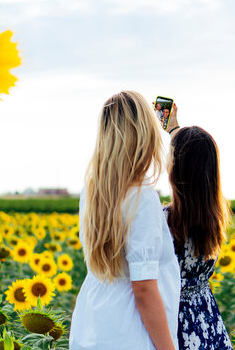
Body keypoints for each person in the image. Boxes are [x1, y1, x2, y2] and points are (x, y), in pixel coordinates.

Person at [69, 90, 181, 350]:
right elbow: (144, 289)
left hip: (94, 325)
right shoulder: (142, 197)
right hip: (131, 332)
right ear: (144, 135)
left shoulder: (93, 191)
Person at [164, 107, 234, 350]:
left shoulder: (163, 222)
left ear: (174, 170)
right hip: (207, 323)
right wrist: (174, 129)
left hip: (171, 324)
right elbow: (194, 156)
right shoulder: (214, 218)